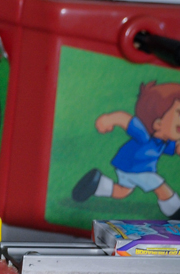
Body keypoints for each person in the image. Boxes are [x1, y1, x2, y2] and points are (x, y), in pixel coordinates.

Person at [72, 81, 180, 218]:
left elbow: (175, 147)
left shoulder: (163, 142)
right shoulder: (144, 136)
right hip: (139, 168)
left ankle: (96, 183)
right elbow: (126, 119)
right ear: (158, 123)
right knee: (161, 187)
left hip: (125, 167)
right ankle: (176, 211)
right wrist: (109, 119)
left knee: (123, 191)